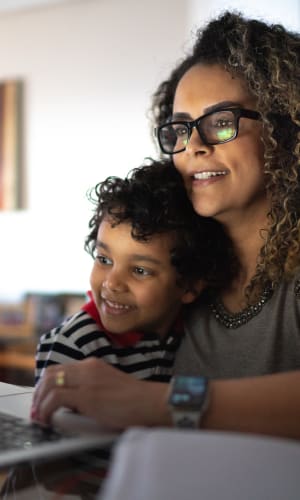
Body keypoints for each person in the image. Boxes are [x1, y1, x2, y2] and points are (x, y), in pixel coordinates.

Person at [32, 11, 300, 439]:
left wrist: (159, 403)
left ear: (284, 128)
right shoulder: (181, 266)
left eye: (221, 122)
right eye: (179, 128)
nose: (192, 145)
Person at [34, 159, 234, 391]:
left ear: (189, 286)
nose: (112, 283)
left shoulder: (195, 332)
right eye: (104, 259)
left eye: (139, 270)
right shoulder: (74, 345)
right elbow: (53, 419)